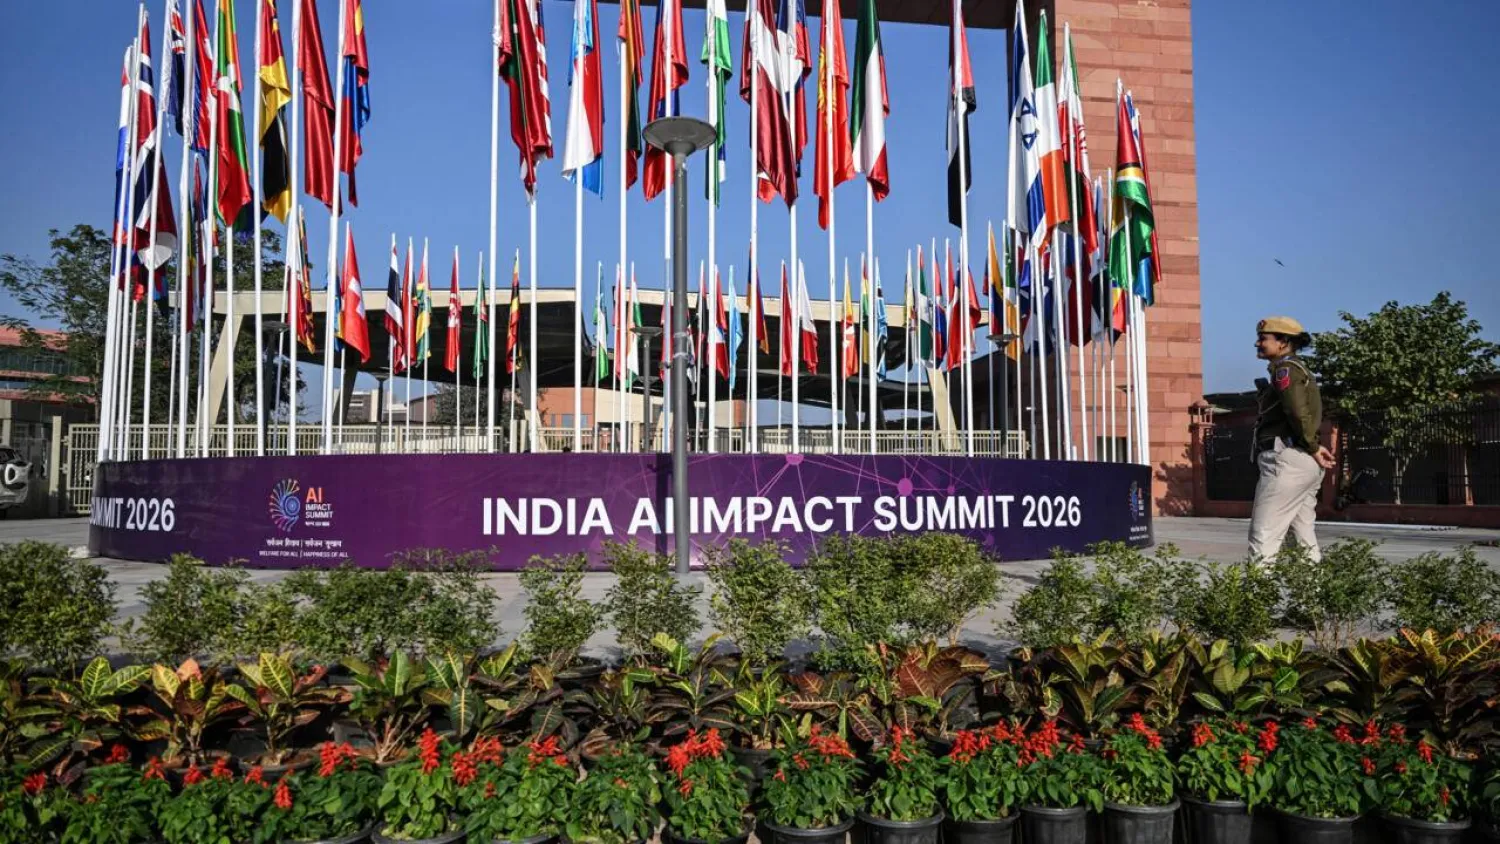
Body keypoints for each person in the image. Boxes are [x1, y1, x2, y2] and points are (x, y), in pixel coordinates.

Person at [1248, 316, 1335, 562]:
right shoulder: (1297, 369)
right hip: (1301, 460)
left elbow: (1297, 411)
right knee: (1303, 539)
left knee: (1263, 535)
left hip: (1286, 460)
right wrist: (1313, 447)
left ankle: (1255, 599)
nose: (1257, 343)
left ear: (1283, 341)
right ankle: (1312, 599)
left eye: (1264, 338)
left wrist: (1313, 445)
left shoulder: (1285, 370)